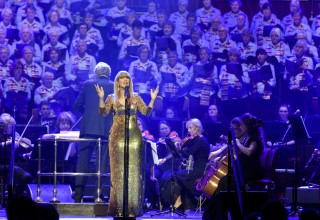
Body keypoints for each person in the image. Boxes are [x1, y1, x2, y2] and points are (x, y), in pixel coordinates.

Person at [96, 70, 159, 217]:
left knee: (133, 172)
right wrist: (101, 98)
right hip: (117, 138)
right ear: (118, 81)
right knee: (117, 173)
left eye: (127, 78)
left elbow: (146, 112)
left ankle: (133, 208)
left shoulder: (135, 97)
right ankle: (117, 208)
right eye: (122, 78)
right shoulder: (111, 98)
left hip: (134, 138)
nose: (125, 80)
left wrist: (152, 100)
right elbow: (103, 113)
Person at [203, 113, 265, 219]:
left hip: (251, 172)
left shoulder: (254, 140)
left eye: (241, 125)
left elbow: (249, 152)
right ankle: (220, 209)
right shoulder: (245, 138)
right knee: (224, 181)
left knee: (224, 181)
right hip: (242, 170)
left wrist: (238, 144)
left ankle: (220, 210)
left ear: (247, 126)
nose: (240, 128)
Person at [72, 62, 114, 203]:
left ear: (96, 73)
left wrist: (88, 113)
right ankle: (99, 195)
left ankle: (78, 195)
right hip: (105, 131)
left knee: (82, 162)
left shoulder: (88, 84)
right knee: (102, 164)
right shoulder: (114, 86)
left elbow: (77, 105)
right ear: (108, 73)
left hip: (88, 129)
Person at [162, 118, 210, 212]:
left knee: (177, 175)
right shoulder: (197, 140)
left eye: (190, 128)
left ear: (197, 128)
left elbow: (189, 154)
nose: (188, 131)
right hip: (194, 168)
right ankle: (187, 205)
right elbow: (188, 152)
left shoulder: (201, 141)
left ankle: (179, 202)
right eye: (188, 128)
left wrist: (179, 149)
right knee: (184, 179)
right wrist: (181, 148)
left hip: (199, 169)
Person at [0, 113, 33, 198]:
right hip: (1, 165)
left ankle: (17, 196)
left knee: (27, 177)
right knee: (14, 172)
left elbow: (15, 156)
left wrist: (25, 155)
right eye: (11, 126)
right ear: (4, 126)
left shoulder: (12, 136)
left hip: (10, 166)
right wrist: (7, 143)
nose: (12, 129)